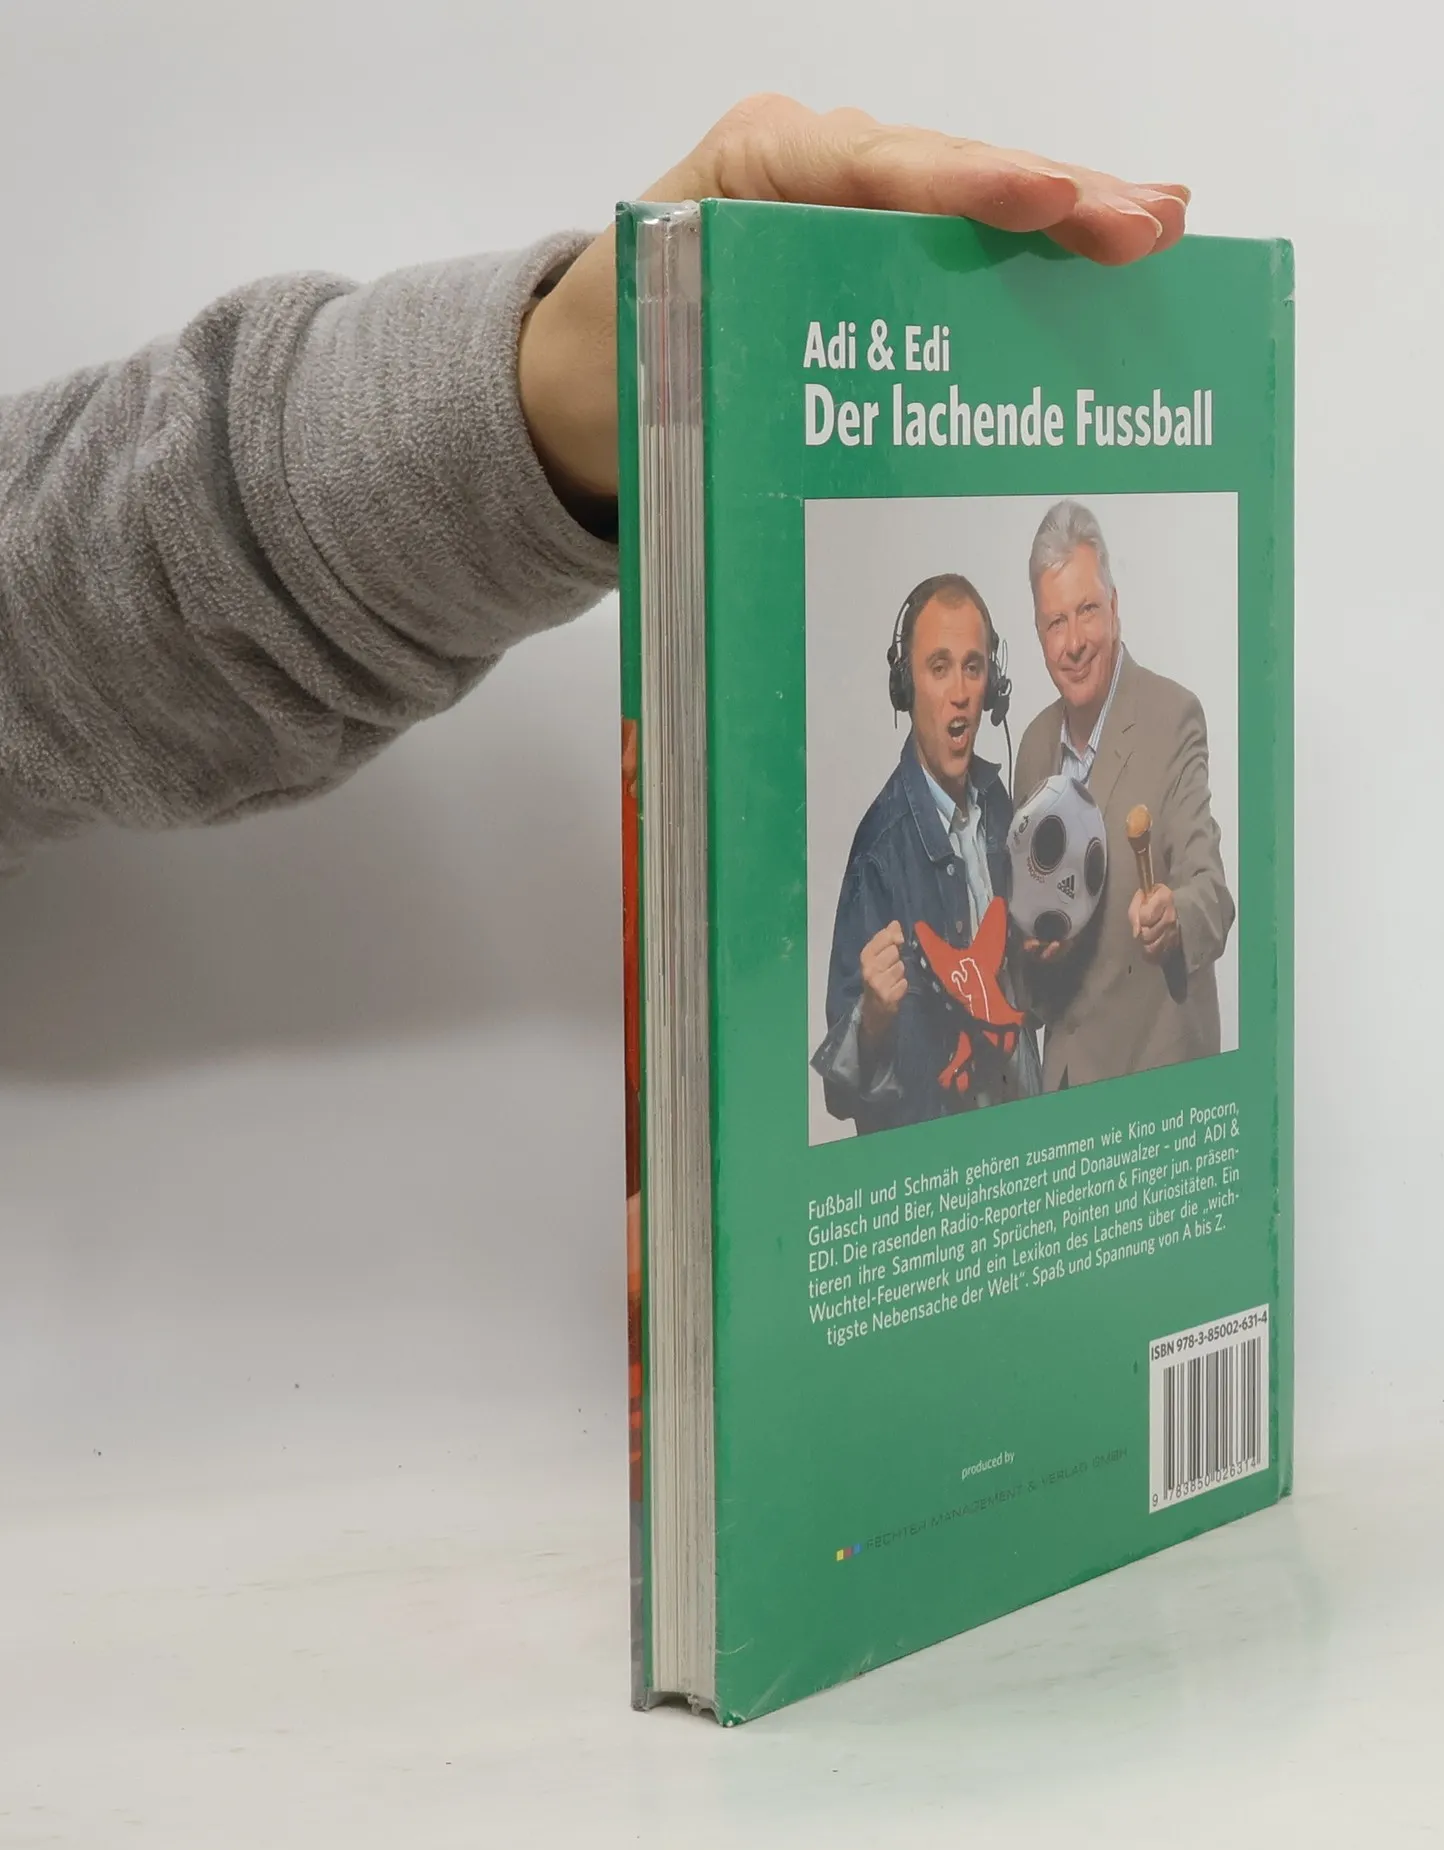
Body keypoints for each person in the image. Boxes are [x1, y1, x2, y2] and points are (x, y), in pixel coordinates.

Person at [0, 95, 1189, 877]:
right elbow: (63, 641)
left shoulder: (1069, 763)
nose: (974, 684)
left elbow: (43, 627)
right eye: (946, 661)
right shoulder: (878, 829)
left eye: (980, 661)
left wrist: (533, 402)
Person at [1012, 499, 1235, 1089]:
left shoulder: (1172, 716)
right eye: (1055, 622)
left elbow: (1213, 894)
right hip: (1063, 1093)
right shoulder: (1033, 747)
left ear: (1114, 608)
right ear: (1038, 634)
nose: (1074, 642)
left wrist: (1174, 918)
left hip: (1153, 1089)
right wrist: (1033, 949)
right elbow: (1030, 975)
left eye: (1087, 610)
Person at [813, 574, 1041, 1134]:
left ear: (992, 686)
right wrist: (872, 1017)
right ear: (906, 688)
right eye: (939, 668)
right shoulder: (878, 852)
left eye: (973, 666)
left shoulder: (999, 805)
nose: (960, 691)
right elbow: (838, 1094)